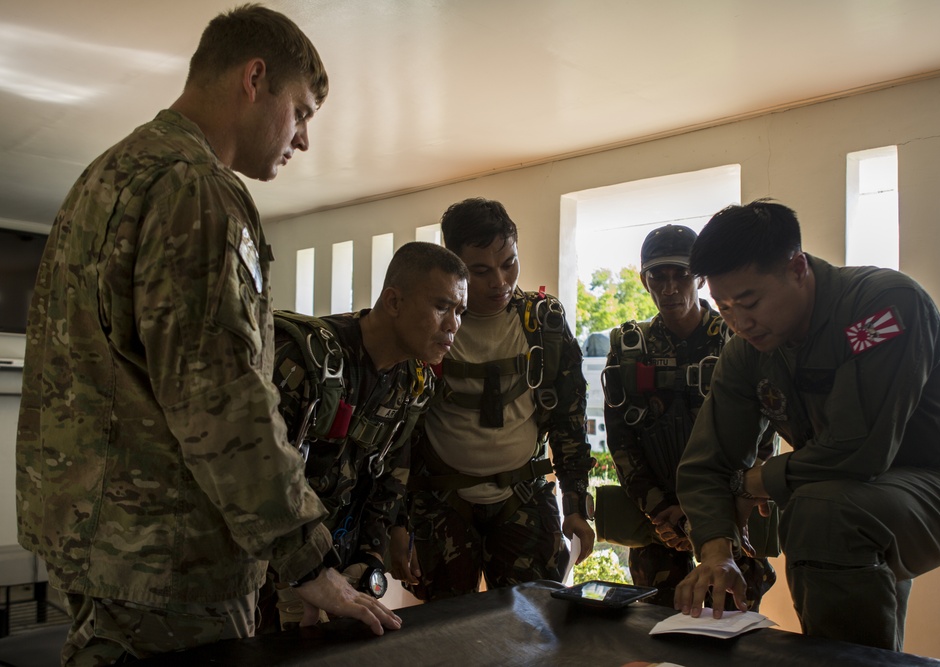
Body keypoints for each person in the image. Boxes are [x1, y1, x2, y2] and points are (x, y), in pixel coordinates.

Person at [15, 5, 398, 664]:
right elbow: (221, 400)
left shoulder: (107, 176)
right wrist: (306, 561)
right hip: (172, 562)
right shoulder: (197, 189)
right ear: (255, 78)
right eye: (301, 112)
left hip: (98, 546)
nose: (303, 138)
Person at [673, 200, 940, 650]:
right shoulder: (747, 350)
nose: (740, 322)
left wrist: (756, 481)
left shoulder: (883, 306)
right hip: (843, 491)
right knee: (831, 518)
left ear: (798, 268)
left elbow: (859, 448)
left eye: (750, 302)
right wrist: (716, 551)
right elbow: (705, 464)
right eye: (724, 308)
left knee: (822, 512)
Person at [389, 197, 595, 599]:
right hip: (441, 504)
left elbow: (569, 420)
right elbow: (398, 434)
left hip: (524, 500)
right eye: (480, 271)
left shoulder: (543, 323)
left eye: (509, 264)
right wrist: (396, 522)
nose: (499, 282)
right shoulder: (426, 325)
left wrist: (576, 504)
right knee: (446, 634)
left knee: (534, 630)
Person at [261, 241, 467, 630]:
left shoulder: (413, 383)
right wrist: (303, 573)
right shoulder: (304, 361)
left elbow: (388, 480)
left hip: (333, 571)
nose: (454, 325)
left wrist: (369, 559)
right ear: (393, 301)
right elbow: (256, 479)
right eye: (442, 307)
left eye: (459, 311)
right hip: (264, 568)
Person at [602, 224, 777, 608]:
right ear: (643, 280)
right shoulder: (632, 349)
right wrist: (662, 513)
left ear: (699, 276)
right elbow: (621, 441)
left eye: (680, 274)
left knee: (732, 631)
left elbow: (764, 437)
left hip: (731, 517)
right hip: (658, 528)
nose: (668, 288)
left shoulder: (738, 338)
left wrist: (719, 513)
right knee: (660, 634)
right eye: (657, 277)